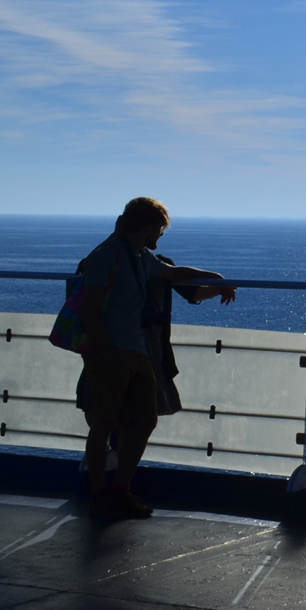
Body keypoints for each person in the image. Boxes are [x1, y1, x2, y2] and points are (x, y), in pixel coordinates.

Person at [76, 197, 230, 520]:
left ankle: (120, 490)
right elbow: (89, 310)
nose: (160, 235)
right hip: (112, 354)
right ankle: (99, 494)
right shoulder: (107, 257)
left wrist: (215, 276)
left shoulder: (142, 259)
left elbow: (174, 274)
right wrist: (106, 355)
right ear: (146, 228)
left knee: (146, 418)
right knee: (104, 424)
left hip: (139, 354)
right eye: (158, 229)